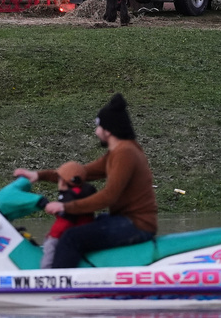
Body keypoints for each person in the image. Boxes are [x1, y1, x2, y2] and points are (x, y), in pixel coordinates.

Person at [14, 93, 158, 268]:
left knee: (71, 237)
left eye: (98, 126)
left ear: (108, 130)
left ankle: (57, 286)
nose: (96, 131)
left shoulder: (125, 153)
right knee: (78, 229)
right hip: (125, 220)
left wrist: (65, 207)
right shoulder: (119, 152)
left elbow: (109, 196)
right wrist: (38, 175)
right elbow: (79, 175)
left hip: (137, 225)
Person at [40, 161, 97, 268]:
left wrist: (52, 236)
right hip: (85, 231)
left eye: (59, 179)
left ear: (63, 182)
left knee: (49, 245)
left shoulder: (69, 198)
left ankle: (46, 272)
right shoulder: (83, 193)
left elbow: (63, 223)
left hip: (71, 235)